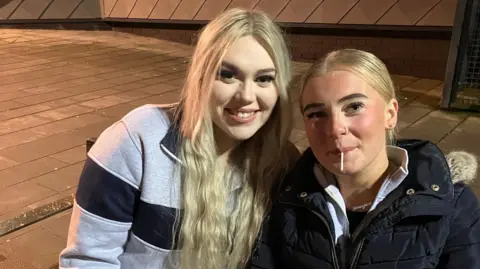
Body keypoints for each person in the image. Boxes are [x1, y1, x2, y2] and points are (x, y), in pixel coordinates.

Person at [59, 8, 300, 269]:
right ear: (200, 75)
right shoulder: (136, 140)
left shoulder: (282, 161)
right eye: (227, 75)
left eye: (264, 79)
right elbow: (88, 261)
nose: (246, 96)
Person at [249, 49, 480, 269]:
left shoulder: (452, 207)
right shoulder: (288, 198)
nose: (335, 128)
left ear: (390, 114)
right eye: (317, 114)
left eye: (354, 106)